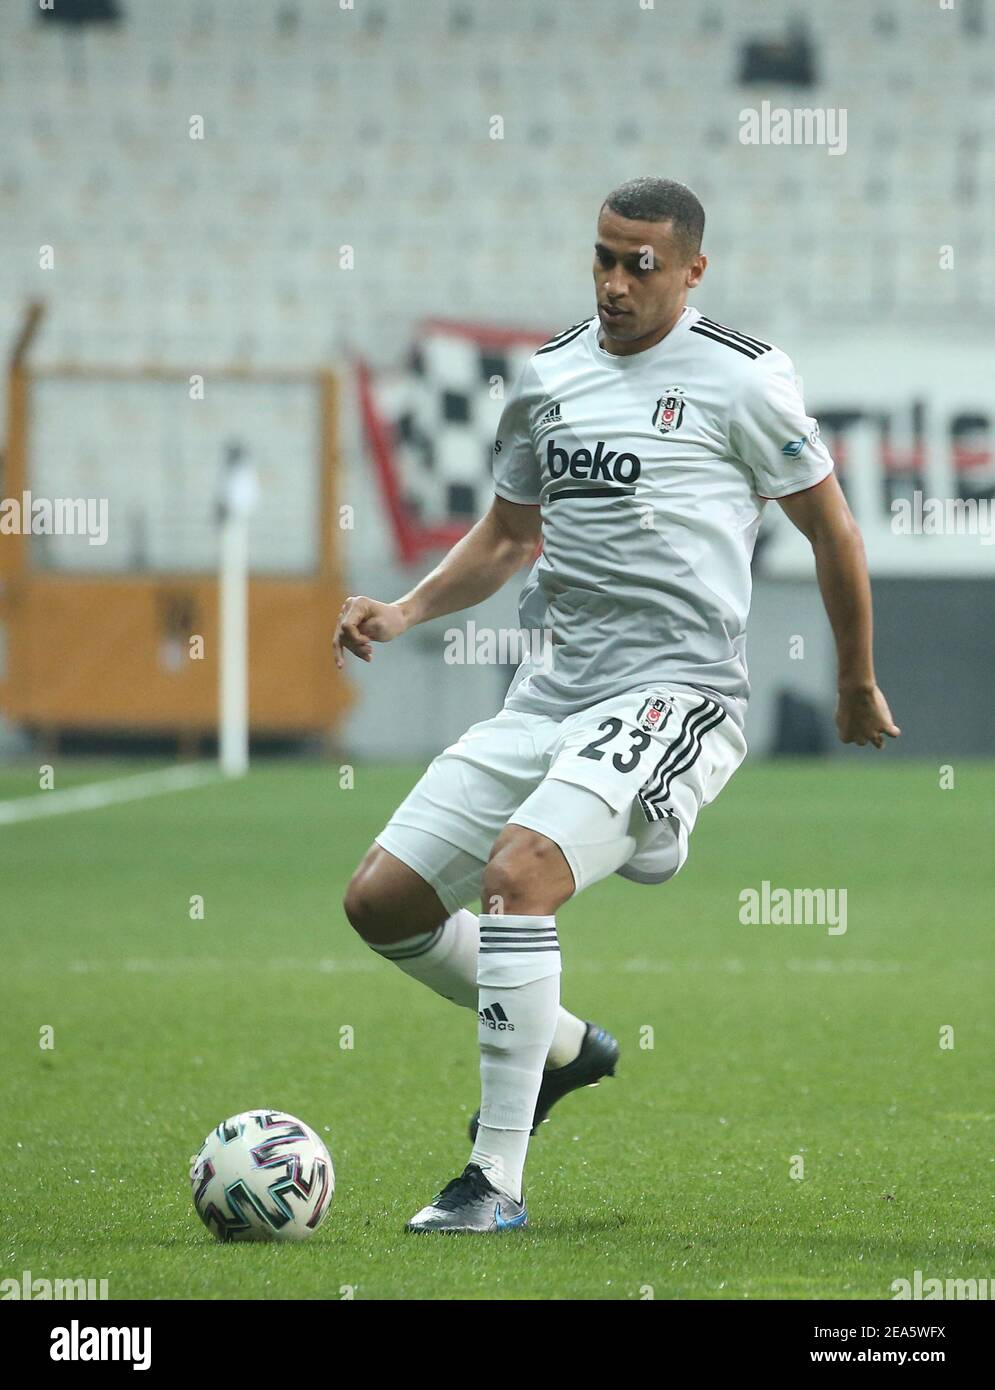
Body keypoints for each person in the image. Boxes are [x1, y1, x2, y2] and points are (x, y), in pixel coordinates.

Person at [335, 176, 900, 1234]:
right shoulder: (547, 376)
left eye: (638, 263)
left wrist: (852, 677)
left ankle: (490, 1181)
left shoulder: (743, 379)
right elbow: (506, 538)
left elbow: (831, 531)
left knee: (517, 874)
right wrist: (404, 611)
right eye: (601, 256)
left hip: (676, 693)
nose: (613, 281)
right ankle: (557, 1042)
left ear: (690, 270)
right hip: (554, 691)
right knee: (382, 903)